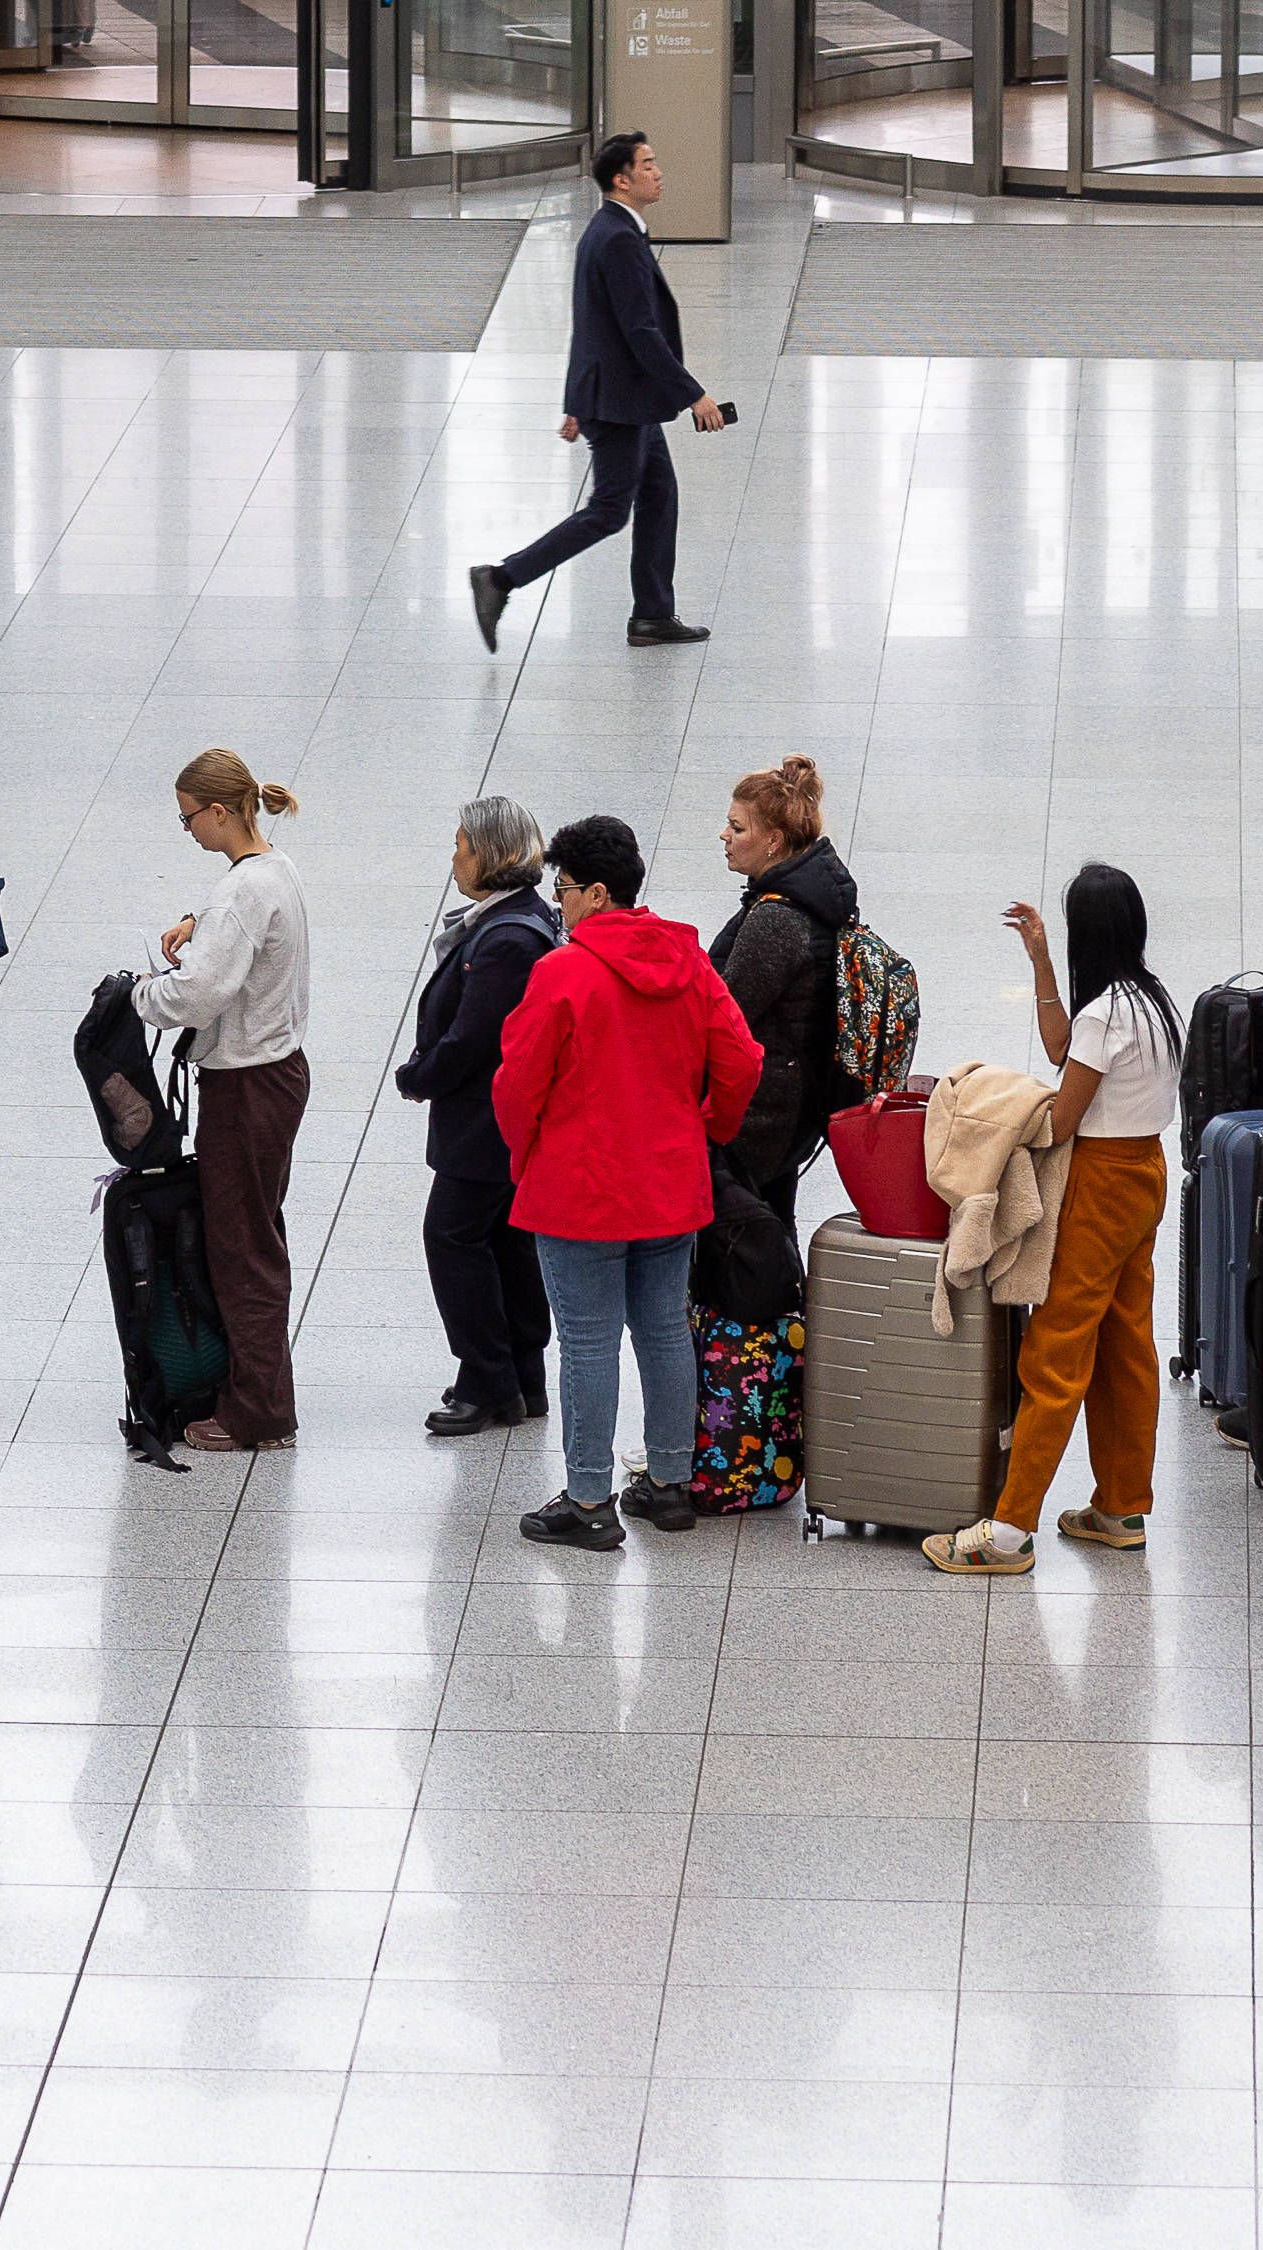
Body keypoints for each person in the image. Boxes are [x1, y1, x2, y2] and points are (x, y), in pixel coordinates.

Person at [494, 815, 764, 1552]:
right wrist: (707, 1126)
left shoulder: (563, 973)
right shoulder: (689, 963)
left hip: (580, 1189)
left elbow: (517, 1085)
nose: (558, 903)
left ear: (598, 894)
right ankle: (669, 1484)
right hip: (669, 1183)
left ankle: (588, 1500)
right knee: (664, 1329)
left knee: (587, 1344)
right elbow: (742, 1059)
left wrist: (527, 1155)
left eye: (564, 889)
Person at [925, 865, 1183, 1574]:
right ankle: (1120, 1507)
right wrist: (1039, 961)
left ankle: (1009, 1531)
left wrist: (1000, 1114)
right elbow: (1063, 1049)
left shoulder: (1105, 1015)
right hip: (1146, 1175)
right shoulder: (1150, 1002)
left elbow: (1062, 1118)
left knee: (1056, 1349)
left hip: (1100, 1187)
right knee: (1126, 1343)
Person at [469, 132, 723, 655]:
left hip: (623, 398)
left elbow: (591, 324)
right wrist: (693, 394)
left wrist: (577, 403)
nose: (658, 173)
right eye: (647, 165)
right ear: (621, 180)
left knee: (659, 496)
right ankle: (501, 578)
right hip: (622, 403)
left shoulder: (610, 230)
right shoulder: (618, 239)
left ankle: (652, 615)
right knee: (609, 510)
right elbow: (639, 332)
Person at [129, 750, 310, 1453]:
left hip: (245, 1088)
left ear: (218, 811)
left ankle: (256, 1413)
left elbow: (196, 995)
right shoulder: (274, 869)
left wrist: (139, 994)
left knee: (241, 1250)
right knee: (256, 1233)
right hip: (279, 1075)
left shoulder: (240, 893)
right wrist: (195, 924)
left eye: (188, 819)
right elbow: (237, 926)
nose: (188, 831)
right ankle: (263, 1394)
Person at [400, 796, 562, 1436]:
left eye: (461, 845)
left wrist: (420, 1075)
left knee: (453, 1237)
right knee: (504, 1240)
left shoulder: (508, 940)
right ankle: (521, 1377)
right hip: (498, 1125)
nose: (454, 857)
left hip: (486, 1126)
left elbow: (475, 1039)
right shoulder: (520, 920)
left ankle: (488, 1382)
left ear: (492, 854)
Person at [706, 755, 859, 1225]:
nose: (724, 835)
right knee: (769, 1227)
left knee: (744, 1242)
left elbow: (727, 1015)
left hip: (759, 1111)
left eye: (737, 827)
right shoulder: (807, 900)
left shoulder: (777, 919)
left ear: (773, 841)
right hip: (789, 1102)